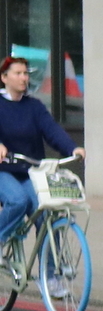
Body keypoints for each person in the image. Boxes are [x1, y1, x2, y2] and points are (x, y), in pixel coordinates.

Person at [0, 53, 80, 253]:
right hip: (4, 171)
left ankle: (52, 277)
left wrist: (72, 148)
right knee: (18, 200)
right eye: (17, 73)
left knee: (46, 215)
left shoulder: (34, 106)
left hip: (31, 172)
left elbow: (51, 130)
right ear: (4, 78)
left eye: (26, 73)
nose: (24, 78)